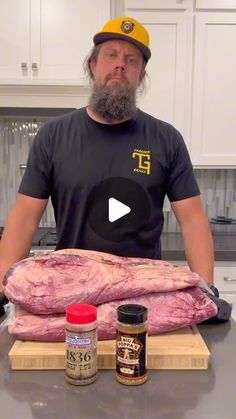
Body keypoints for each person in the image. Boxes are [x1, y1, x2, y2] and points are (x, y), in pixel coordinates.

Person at [0, 16, 214, 291]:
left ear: (141, 76)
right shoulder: (53, 136)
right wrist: (3, 287)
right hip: (73, 290)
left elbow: (193, 220)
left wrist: (208, 289)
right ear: (92, 66)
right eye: (111, 55)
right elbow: (25, 218)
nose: (120, 65)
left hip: (143, 293)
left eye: (132, 60)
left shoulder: (166, 139)